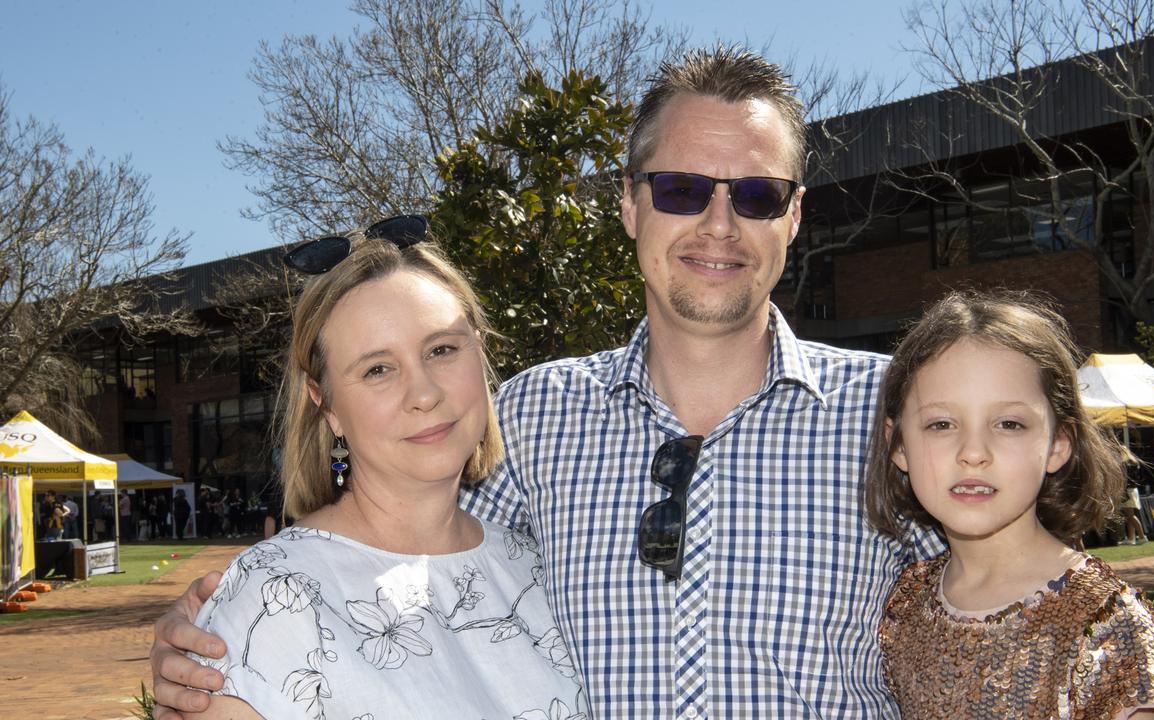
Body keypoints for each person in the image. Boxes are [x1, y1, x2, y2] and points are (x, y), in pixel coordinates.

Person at [150, 47, 943, 718]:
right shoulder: (531, 419)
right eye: (681, 189)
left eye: (758, 195)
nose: (719, 225)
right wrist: (228, 636)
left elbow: (1013, 602)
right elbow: (390, 565)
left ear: (795, 217)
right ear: (631, 205)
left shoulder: (899, 418)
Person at [183, 235, 584, 718]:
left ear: (480, 353)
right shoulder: (274, 598)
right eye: (377, 369)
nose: (423, 392)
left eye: (440, 350)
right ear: (326, 404)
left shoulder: (538, 567)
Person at [865, 291, 1154, 719]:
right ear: (897, 443)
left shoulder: (1104, 618)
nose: (973, 452)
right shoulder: (905, 602)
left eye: (1009, 424)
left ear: (1058, 444)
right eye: (941, 424)